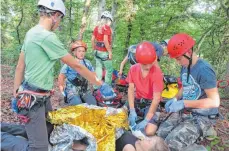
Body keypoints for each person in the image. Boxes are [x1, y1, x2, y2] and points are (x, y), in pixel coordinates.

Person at [12, 1, 114, 151]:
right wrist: (100, 84)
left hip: (39, 96)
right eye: (60, 18)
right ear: (55, 15)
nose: (59, 23)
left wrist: (16, 93)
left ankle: (5, 129)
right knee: (39, 147)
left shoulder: (31, 32)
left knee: (46, 133)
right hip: (34, 99)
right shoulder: (47, 37)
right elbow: (76, 65)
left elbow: (20, 66)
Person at [156, 33, 220, 151]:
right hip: (186, 112)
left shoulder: (204, 70)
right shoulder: (185, 66)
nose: (177, 62)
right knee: (160, 134)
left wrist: (184, 103)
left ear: (188, 52)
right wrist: (175, 98)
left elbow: (214, 101)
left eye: (179, 58)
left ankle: (199, 146)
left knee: (170, 144)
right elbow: (185, 87)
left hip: (202, 116)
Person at [126, 41, 164, 136]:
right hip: (138, 99)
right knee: (120, 116)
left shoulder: (157, 72)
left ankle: (146, 119)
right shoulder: (133, 69)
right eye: (144, 64)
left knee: (149, 131)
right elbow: (131, 90)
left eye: (150, 63)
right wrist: (132, 110)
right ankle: (137, 116)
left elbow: (156, 99)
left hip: (151, 102)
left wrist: (147, 119)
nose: (148, 66)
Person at [58, 40, 97, 106]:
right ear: (74, 52)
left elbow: (93, 75)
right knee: (78, 105)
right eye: (79, 51)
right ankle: (70, 100)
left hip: (85, 90)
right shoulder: (69, 63)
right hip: (72, 91)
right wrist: (61, 87)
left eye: (83, 51)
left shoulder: (87, 63)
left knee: (93, 104)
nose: (81, 53)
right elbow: (61, 76)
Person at [91, 11, 113, 87]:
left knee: (98, 69)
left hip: (97, 51)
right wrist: (110, 52)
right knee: (109, 70)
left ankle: (96, 87)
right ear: (108, 20)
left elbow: (92, 40)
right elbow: (105, 41)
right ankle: (107, 87)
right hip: (104, 52)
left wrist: (94, 49)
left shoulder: (97, 28)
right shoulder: (106, 28)